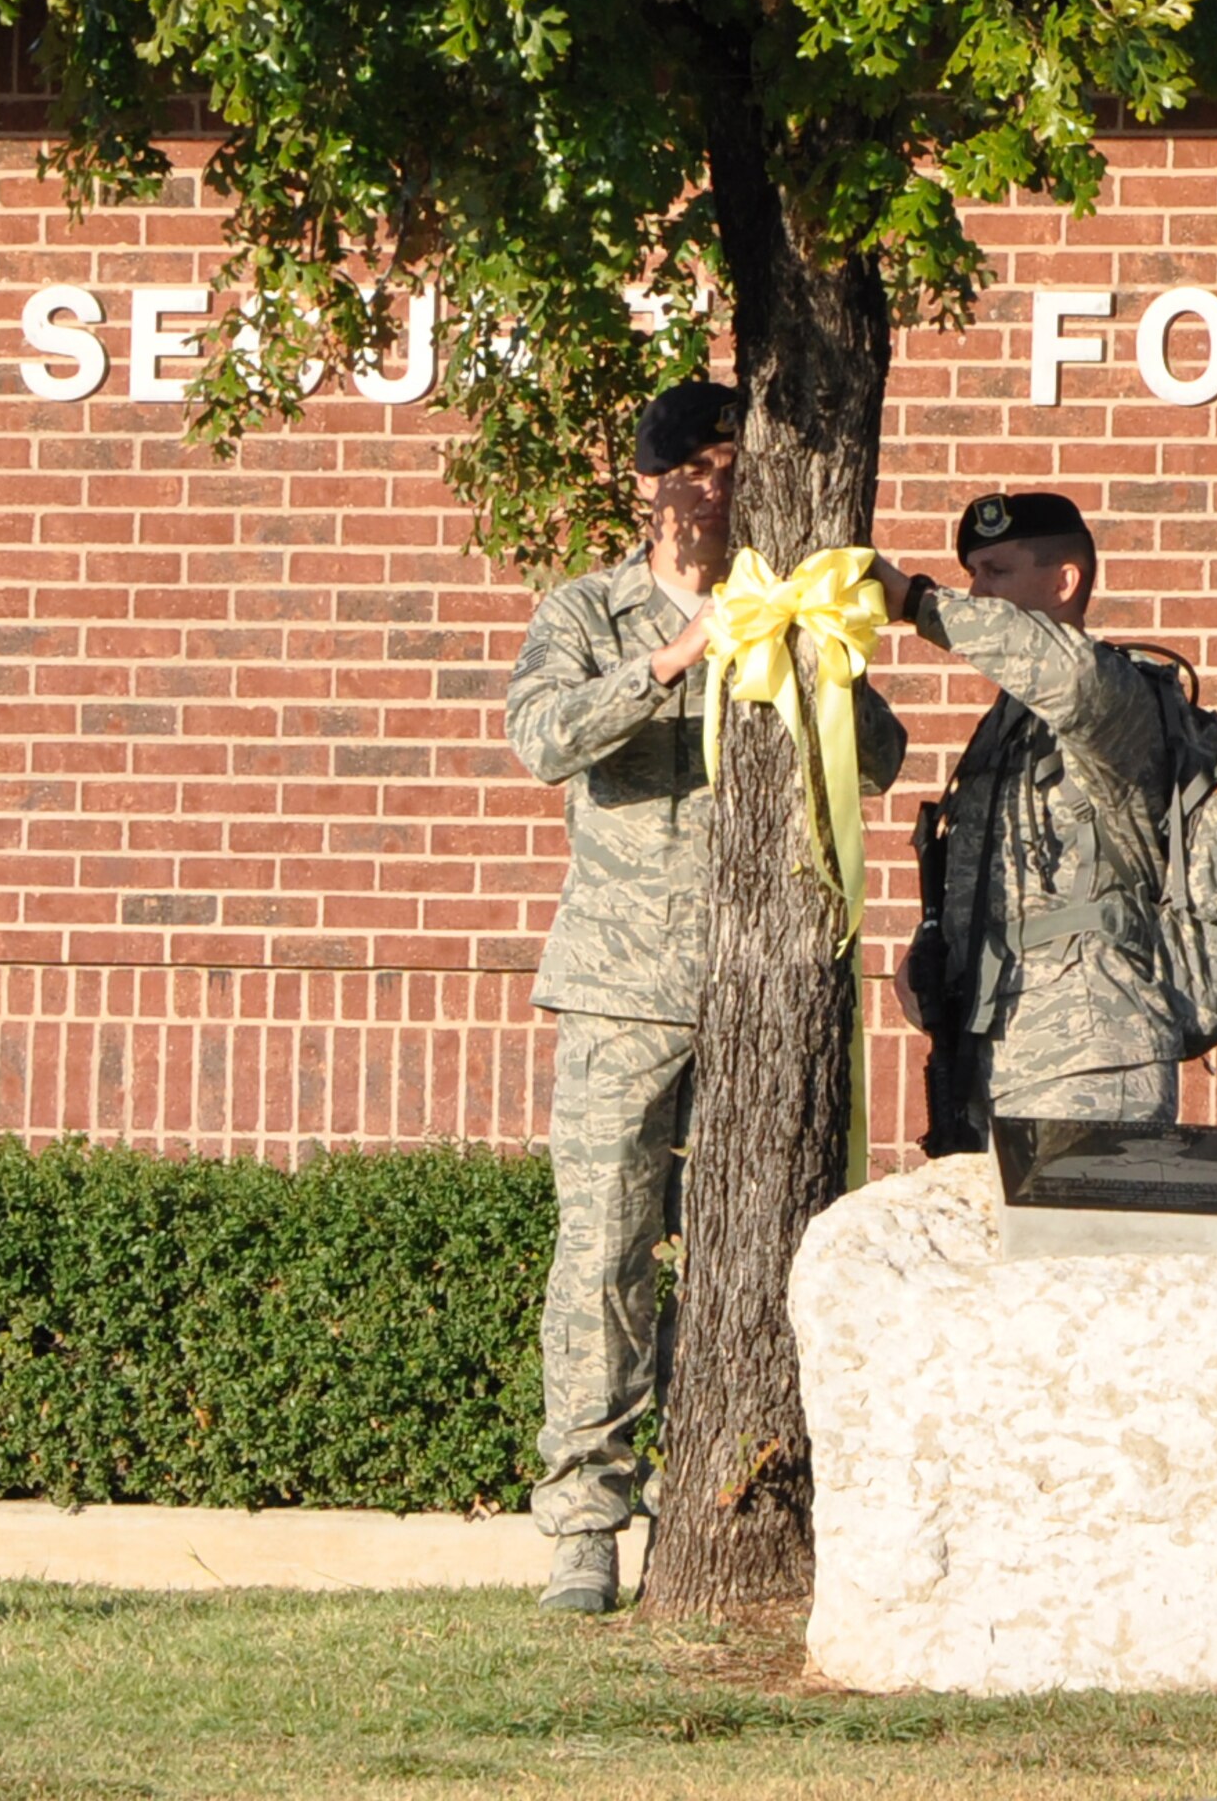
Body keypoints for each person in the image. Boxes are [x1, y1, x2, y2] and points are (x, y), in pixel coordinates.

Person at [506, 380, 907, 1613]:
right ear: (648, 480)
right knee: (608, 1256)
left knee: (761, 1253)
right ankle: (584, 1517)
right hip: (624, 989)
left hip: (760, 986)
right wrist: (677, 656)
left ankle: (746, 1495)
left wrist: (800, 654)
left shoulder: (783, 605)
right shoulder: (585, 609)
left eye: (735, 465)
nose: (715, 486)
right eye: (695, 464)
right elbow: (542, 737)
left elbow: (877, 757)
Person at [871, 492, 1182, 1142]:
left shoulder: (1113, 693)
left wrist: (917, 602)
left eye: (999, 573)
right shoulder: (1007, 726)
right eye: (972, 575)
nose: (978, 592)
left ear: (1065, 580)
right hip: (992, 1050)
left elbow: (1061, 674)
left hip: (1090, 1059)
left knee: (1076, 1244)